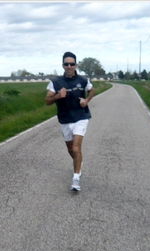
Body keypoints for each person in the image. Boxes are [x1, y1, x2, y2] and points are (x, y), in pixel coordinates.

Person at [45, 51, 95, 191]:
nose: (69, 66)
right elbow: (47, 101)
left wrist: (86, 100)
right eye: (66, 64)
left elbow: (91, 90)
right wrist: (57, 96)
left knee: (76, 148)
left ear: (76, 65)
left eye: (71, 64)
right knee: (70, 148)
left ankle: (76, 179)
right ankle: (78, 163)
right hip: (65, 119)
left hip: (81, 117)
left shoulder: (83, 80)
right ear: (63, 65)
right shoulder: (55, 82)